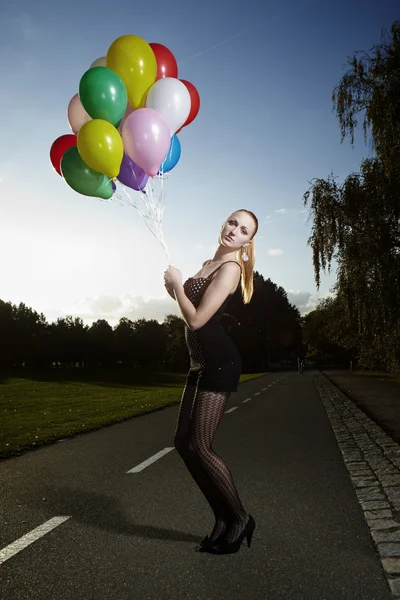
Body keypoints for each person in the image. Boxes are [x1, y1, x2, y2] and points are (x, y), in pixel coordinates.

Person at [163, 209, 258, 555]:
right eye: (233, 222)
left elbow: (198, 321)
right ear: (224, 223)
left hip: (219, 363)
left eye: (243, 230)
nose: (234, 231)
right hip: (198, 363)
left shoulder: (231, 269)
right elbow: (192, 310)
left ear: (247, 243)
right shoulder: (207, 263)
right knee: (182, 443)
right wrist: (177, 291)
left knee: (200, 446)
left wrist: (176, 286)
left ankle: (240, 518)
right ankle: (221, 518)